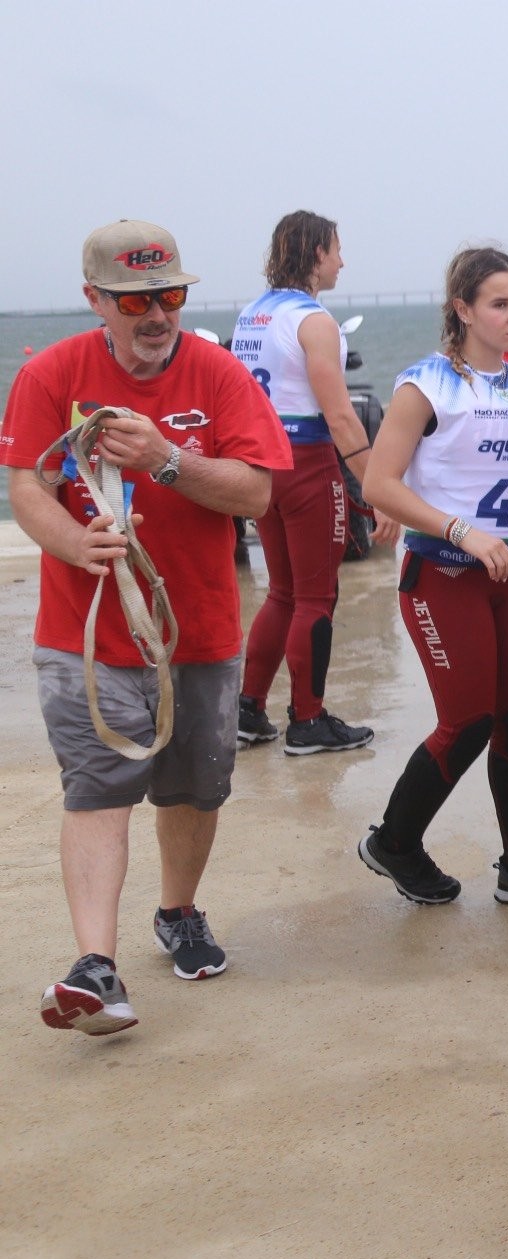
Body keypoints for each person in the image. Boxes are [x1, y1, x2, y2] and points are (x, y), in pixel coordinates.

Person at [7, 219, 290, 1035]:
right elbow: (26, 484)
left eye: (169, 294)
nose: (156, 313)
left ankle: (178, 911)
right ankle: (94, 965)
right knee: (98, 786)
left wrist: (166, 459)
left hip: (198, 627)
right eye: (135, 300)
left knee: (196, 787)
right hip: (85, 634)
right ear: (95, 298)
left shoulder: (220, 374)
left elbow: (257, 494)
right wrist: (74, 542)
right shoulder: (52, 373)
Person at [354, 247, 508, 910]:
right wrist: (461, 530)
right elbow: (378, 484)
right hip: (444, 576)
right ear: (463, 309)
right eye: (501, 304)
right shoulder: (425, 386)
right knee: (468, 721)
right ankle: (394, 843)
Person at [232, 211, 397, 754]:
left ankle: (247, 708)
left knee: (281, 592)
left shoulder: (252, 314)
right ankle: (308, 720)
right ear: (314, 254)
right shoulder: (315, 320)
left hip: (261, 467)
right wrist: (379, 490)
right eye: (336, 249)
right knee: (315, 597)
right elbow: (342, 417)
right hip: (306, 465)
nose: (342, 260)